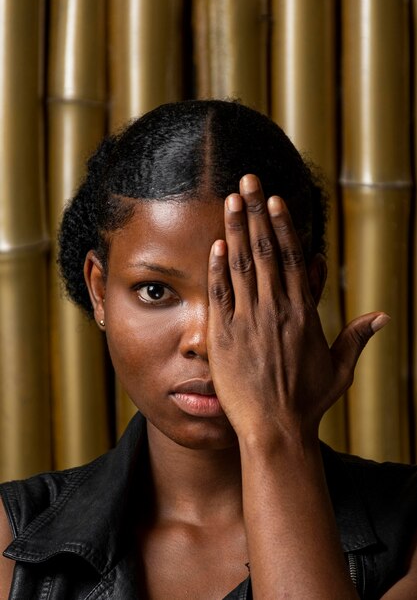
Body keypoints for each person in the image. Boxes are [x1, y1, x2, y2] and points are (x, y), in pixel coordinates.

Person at [0, 99, 416, 600]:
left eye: (243, 294)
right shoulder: (12, 541)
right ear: (98, 290)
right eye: (155, 290)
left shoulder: (409, 532)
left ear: (305, 295)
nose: (203, 340)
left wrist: (277, 435)